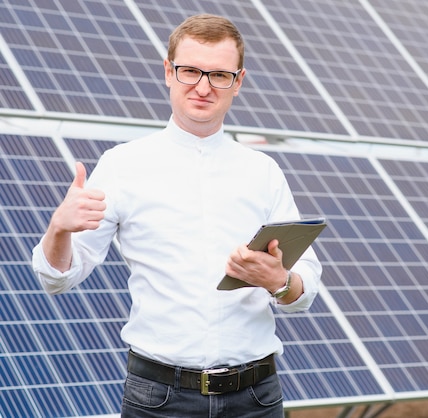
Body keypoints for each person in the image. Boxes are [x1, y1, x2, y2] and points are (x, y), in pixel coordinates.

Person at [31, 13, 322, 418]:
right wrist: (58, 229)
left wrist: (279, 281)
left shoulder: (264, 172)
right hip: (159, 399)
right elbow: (58, 278)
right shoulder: (122, 165)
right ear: (169, 72)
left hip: (256, 398)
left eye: (219, 75)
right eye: (190, 71)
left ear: (238, 82)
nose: (203, 87)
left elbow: (303, 290)